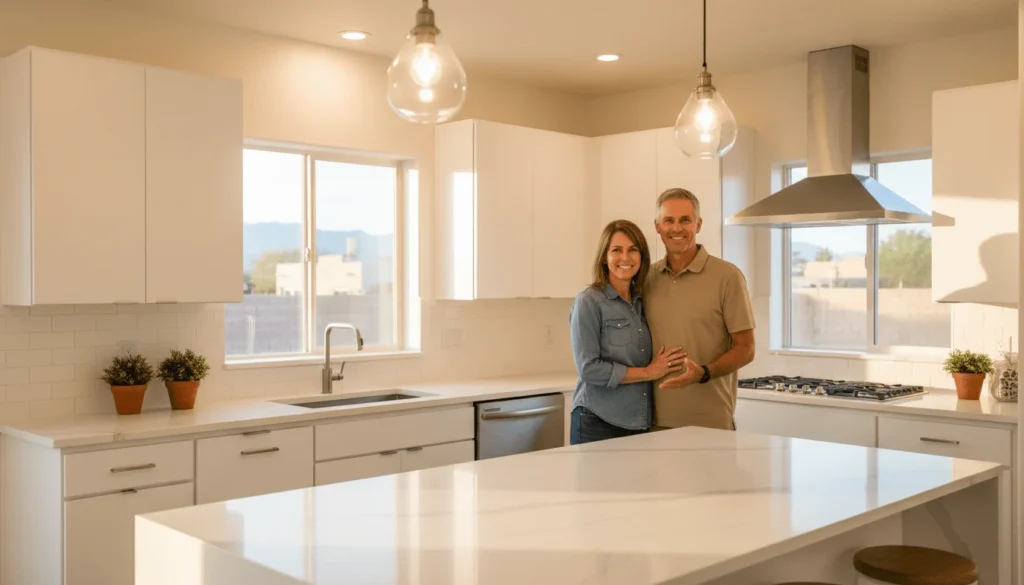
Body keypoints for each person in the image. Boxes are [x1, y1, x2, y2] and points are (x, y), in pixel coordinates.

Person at [645, 188, 756, 431]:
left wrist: (704, 372)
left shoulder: (728, 277)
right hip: (651, 423)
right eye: (669, 220)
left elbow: (746, 349)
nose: (677, 228)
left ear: (698, 224)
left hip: (711, 423)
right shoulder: (646, 278)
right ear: (657, 226)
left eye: (685, 220)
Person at [568, 219, 686, 444]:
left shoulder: (642, 302)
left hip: (638, 423)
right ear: (605, 257)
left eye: (633, 250)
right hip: (597, 422)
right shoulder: (589, 301)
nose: (625, 258)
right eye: (616, 250)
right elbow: (589, 369)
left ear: (642, 257)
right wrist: (649, 372)